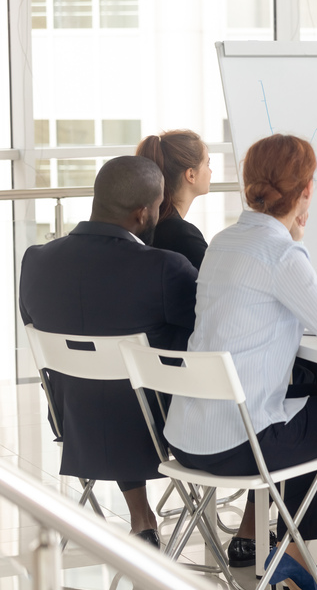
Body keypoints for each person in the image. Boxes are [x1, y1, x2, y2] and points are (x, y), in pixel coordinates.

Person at [162, 134, 317, 590]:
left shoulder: (225, 241)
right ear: (305, 190)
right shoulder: (284, 254)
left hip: (187, 436)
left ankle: (295, 553)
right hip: (238, 445)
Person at [19, 156, 198, 548]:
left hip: (72, 419)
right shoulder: (166, 267)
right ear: (143, 213)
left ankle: (140, 518)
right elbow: (210, 334)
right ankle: (251, 533)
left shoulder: (35, 261)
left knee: (114, 373)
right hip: (157, 426)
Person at [135, 129, 213, 270]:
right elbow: (216, 286)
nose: (210, 171)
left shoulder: (144, 227)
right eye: (207, 164)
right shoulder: (184, 236)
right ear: (191, 175)